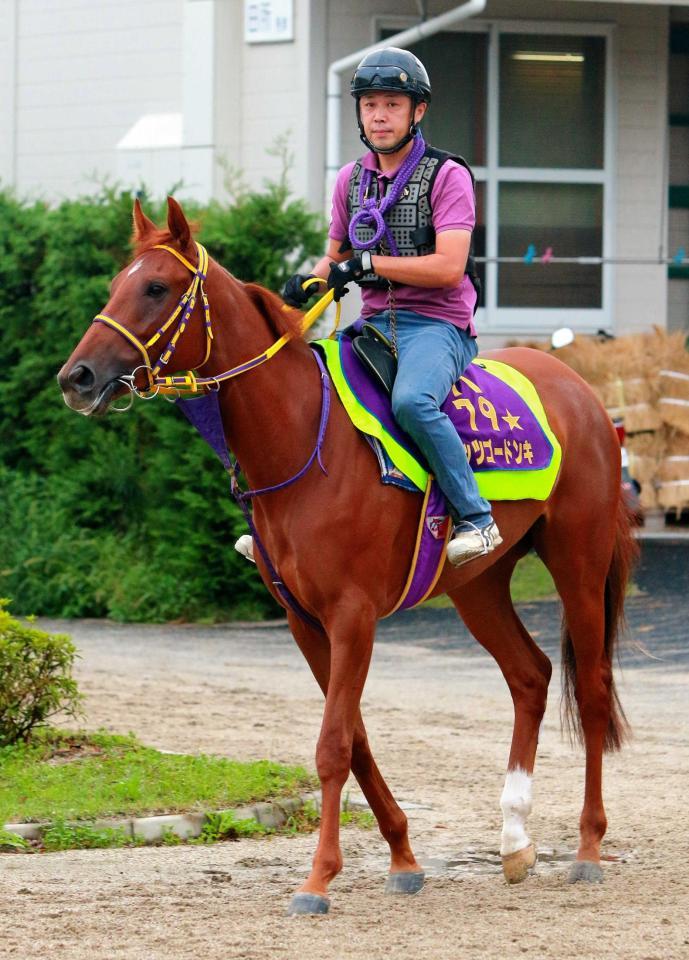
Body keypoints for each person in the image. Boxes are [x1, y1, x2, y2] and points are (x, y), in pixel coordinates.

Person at [283, 46, 501, 566]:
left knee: (411, 403)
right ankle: (283, 525)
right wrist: (303, 285)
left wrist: (368, 266)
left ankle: (478, 518)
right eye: (370, 105)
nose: (379, 115)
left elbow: (449, 266)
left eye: (392, 105)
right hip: (375, 323)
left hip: (439, 325)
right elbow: (333, 258)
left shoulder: (448, 175)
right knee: (297, 391)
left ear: (417, 111)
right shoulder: (349, 181)